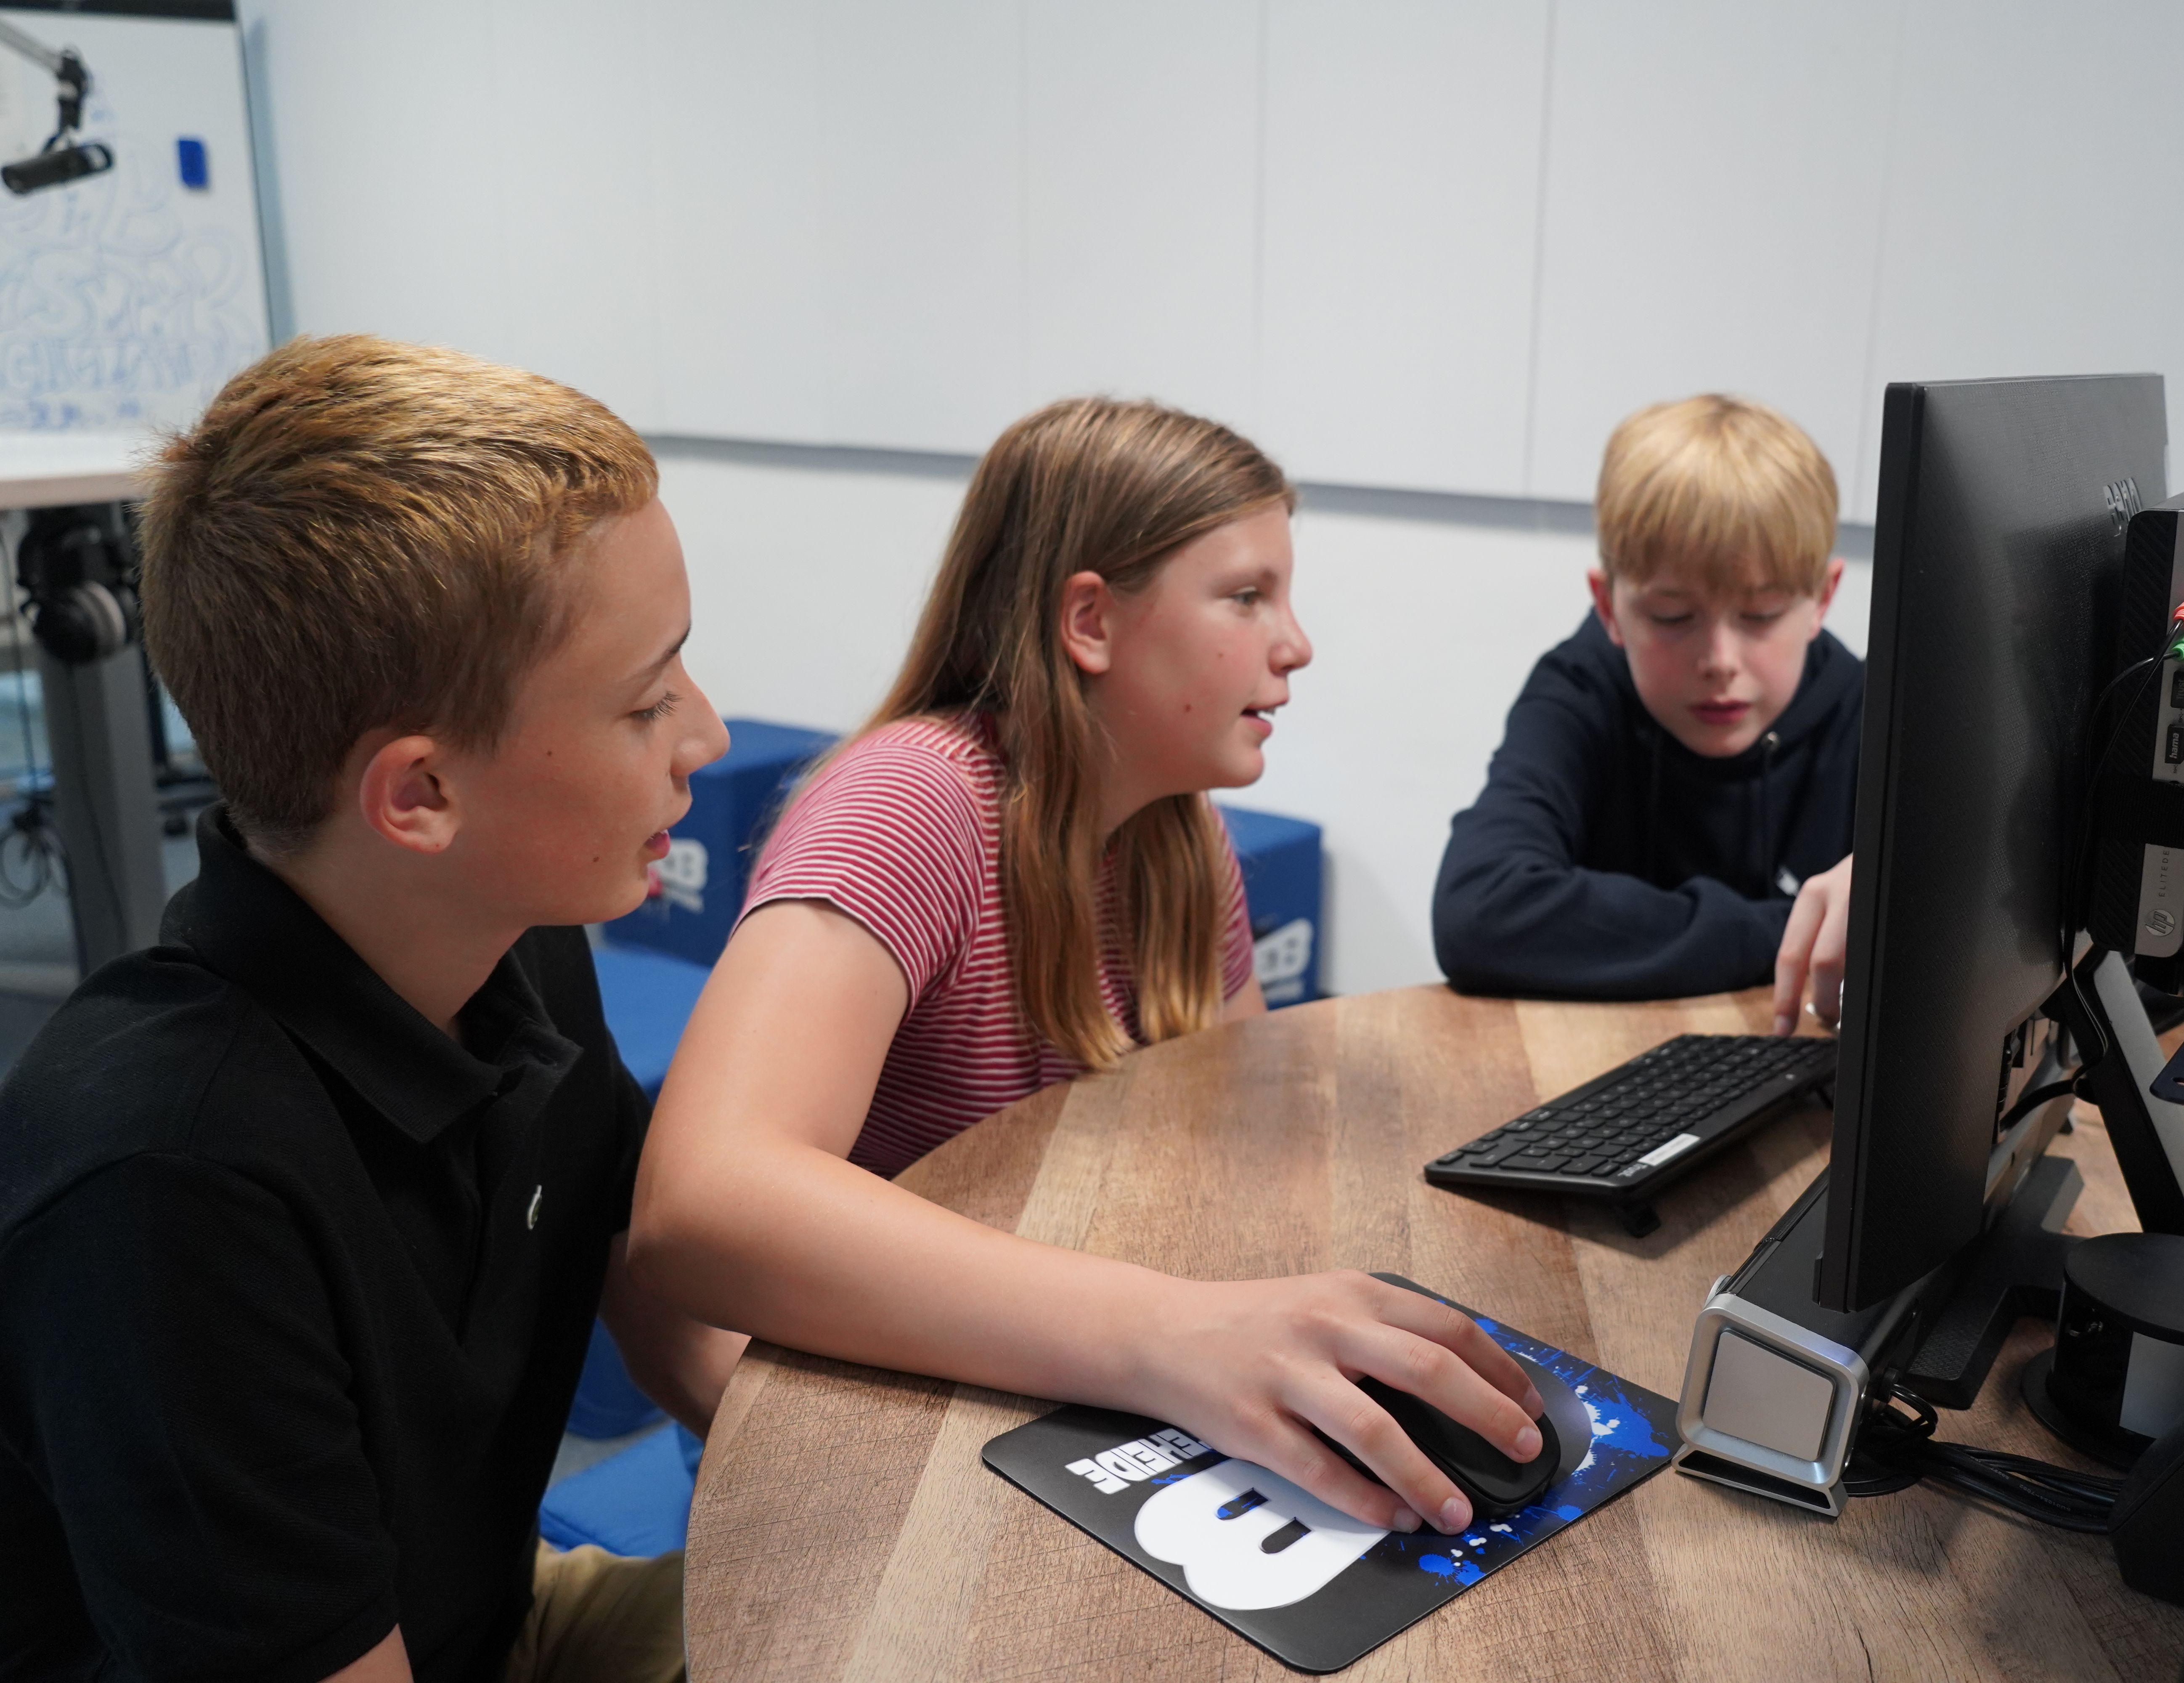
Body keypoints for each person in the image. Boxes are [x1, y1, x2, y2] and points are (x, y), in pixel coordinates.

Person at [630, 398, 1546, 1541]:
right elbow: (701, 1204)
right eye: (1247, 595)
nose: (1296, 643)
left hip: (1059, 1372)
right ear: (1091, 622)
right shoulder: (908, 798)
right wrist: (1164, 1333)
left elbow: (1238, 1143)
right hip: (871, 1407)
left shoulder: (1180, 835)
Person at [0, 336, 748, 1683]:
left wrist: (877, 1487)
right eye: (648, 703)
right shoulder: (169, 1188)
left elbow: (654, 1287)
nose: (708, 737)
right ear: (421, 797)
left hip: (486, 1623)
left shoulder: (516, 942)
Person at [1431, 393, 1862, 1033]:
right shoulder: (1580, 691)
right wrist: (1798, 926)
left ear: (1822, 598)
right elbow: (1479, 911)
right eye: (1672, 617)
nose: (1720, 661)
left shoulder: (1873, 713)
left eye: (1761, 615)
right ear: (1608, 606)